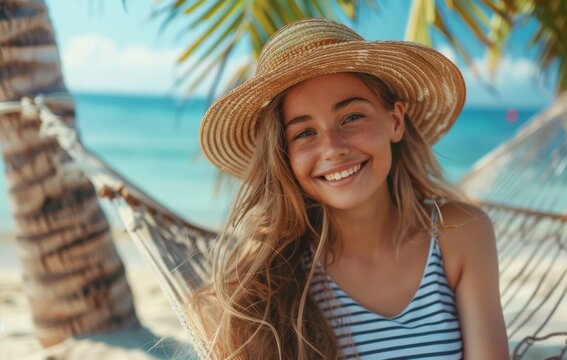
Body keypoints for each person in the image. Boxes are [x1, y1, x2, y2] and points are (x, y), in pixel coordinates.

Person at [190, 18, 509, 359]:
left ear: (395, 121)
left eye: (352, 117)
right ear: (284, 156)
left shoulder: (460, 235)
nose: (333, 147)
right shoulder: (267, 286)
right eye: (304, 133)